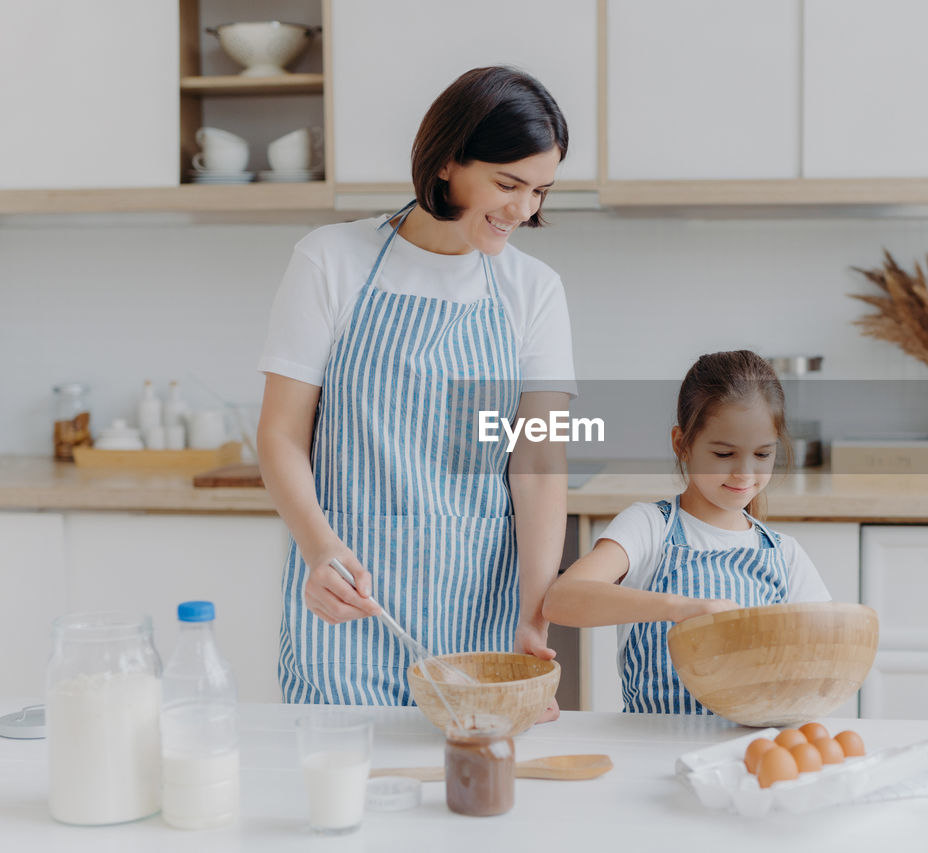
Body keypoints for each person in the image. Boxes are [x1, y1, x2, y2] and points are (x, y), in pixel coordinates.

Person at [257, 67, 575, 709]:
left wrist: (535, 615)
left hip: (479, 612)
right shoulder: (332, 260)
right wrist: (320, 550)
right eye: (508, 183)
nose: (523, 210)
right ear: (447, 162)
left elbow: (538, 461)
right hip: (348, 606)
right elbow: (281, 434)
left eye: (540, 190)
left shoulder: (533, 290)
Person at [543, 350, 831, 715]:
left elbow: (821, 655)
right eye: (724, 454)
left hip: (743, 752)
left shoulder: (784, 554)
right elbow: (561, 599)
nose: (744, 473)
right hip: (652, 748)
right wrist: (679, 608)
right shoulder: (649, 527)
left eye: (762, 455)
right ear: (683, 444)